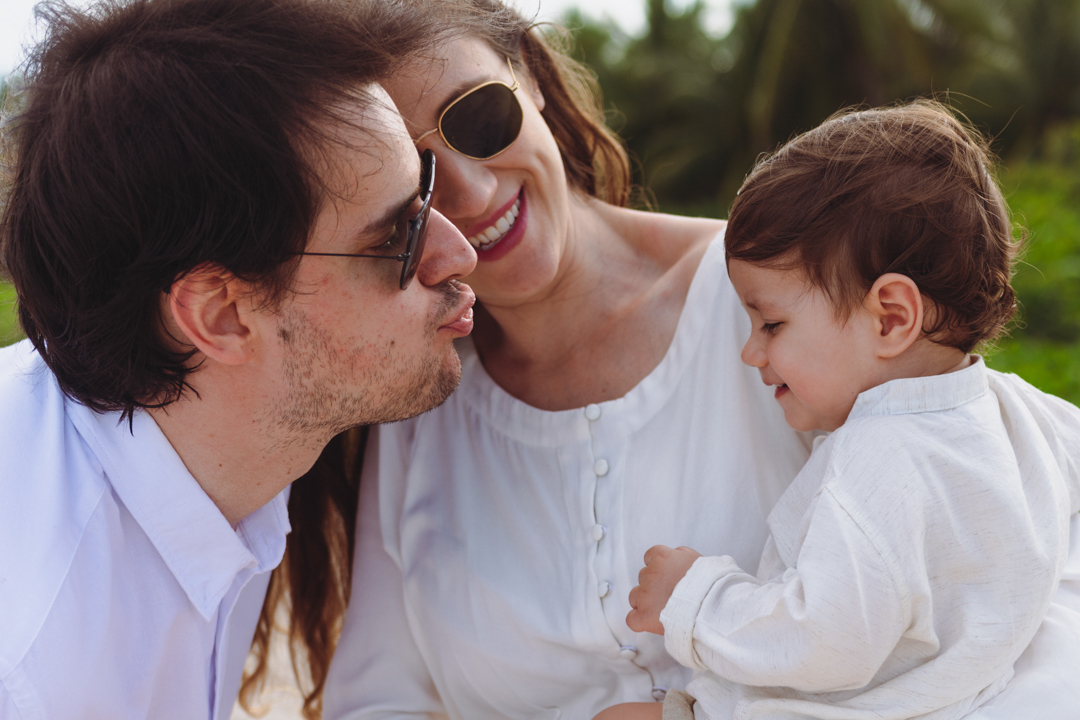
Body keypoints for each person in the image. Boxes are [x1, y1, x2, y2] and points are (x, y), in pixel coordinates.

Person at [308, 2, 1080, 718]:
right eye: (417, 175)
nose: (470, 194)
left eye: (478, 116)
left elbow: (1029, 582)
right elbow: (380, 702)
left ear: (534, 81)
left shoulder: (806, 305)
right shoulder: (418, 395)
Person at [0, 0, 476, 717]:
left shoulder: (222, 438)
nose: (459, 252)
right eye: (394, 240)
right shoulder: (40, 663)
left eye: (425, 191)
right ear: (220, 315)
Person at [593, 102, 1080, 720]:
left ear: (892, 317)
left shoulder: (880, 460)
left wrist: (695, 599)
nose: (751, 351)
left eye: (771, 323)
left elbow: (825, 637)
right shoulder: (1023, 412)